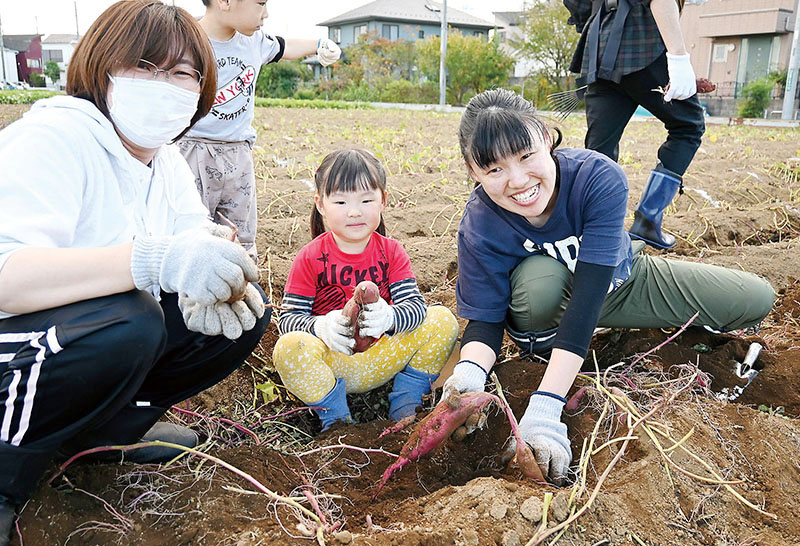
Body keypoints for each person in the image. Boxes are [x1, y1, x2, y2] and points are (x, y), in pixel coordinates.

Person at [0, 2, 272, 544]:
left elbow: (192, 236)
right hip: (14, 351)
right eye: (145, 66)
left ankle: (97, 438)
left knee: (237, 313)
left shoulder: (163, 160)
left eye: (181, 73)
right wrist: (155, 259)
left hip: (73, 342)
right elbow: (8, 277)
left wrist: (212, 265)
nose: (164, 84)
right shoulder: (54, 138)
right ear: (102, 68)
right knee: (133, 320)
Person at [442, 88, 773, 485]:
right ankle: (544, 351)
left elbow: (588, 300)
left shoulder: (597, 177)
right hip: (547, 302)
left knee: (756, 298)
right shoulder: (480, 221)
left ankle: (583, 351)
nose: (517, 180)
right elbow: (484, 320)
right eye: (494, 169)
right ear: (473, 171)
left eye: (526, 155)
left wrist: (546, 408)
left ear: (547, 138)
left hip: (617, 282)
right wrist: (470, 373)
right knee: (539, 284)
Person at [273, 149, 459, 430]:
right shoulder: (310, 257)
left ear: (383, 201)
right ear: (321, 204)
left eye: (366, 199)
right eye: (341, 201)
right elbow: (288, 320)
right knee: (288, 348)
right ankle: (336, 419)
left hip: (382, 356)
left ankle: (407, 404)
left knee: (443, 320)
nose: (355, 211)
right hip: (332, 360)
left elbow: (415, 308)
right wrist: (321, 327)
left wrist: (391, 317)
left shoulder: (392, 252)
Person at [177, 0, 342, 262]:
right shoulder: (183, 39)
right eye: (260, 4)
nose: (266, 14)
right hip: (192, 150)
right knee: (190, 231)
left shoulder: (254, 41)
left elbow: (284, 46)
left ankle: (240, 288)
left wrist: (319, 45)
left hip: (238, 152)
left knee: (239, 236)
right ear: (225, 2)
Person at [563, 0, 706, 249]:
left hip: (598, 46)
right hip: (642, 44)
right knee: (688, 126)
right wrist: (678, 58)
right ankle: (648, 220)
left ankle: (595, 233)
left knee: (600, 150)